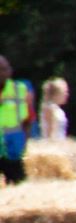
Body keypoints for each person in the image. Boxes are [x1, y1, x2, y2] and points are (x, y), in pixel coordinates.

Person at [0, 56, 33, 185]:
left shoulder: (20, 89)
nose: (1, 73)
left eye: (4, 69)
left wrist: (26, 141)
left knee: (18, 181)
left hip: (14, 146)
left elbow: (28, 119)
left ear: (10, 71)